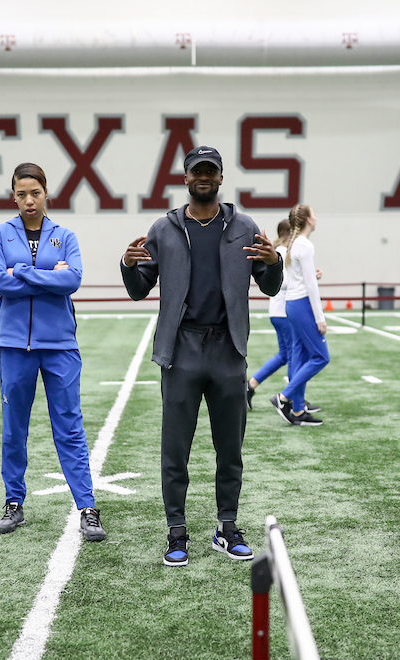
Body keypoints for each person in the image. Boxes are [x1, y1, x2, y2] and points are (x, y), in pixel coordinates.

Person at [121, 146, 283, 567]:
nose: (204, 178)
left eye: (211, 171)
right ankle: (176, 532)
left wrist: (275, 261)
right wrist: (127, 264)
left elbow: (269, 286)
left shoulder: (244, 226)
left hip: (229, 352)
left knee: (230, 449)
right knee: (176, 450)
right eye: (197, 171)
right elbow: (140, 289)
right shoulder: (164, 228)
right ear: (187, 178)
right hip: (182, 351)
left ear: (221, 178)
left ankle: (227, 528)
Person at [0, 162, 106, 542]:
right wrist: (48, 278)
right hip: (14, 346)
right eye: (21, 194)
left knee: (70, 428)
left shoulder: (64, 235)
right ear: (14, 197)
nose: (28, 200)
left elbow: (73, 280)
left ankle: (87, 508)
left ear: (46, 194)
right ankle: (13, 504)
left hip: (60, 347)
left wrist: (22, 272)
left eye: (34, 193)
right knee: (13, 430)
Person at [269, 204, 328, 426]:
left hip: (292, 305)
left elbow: (301, 278)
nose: (316, 216)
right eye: (314, 213)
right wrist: (319, 318)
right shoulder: (305, 244)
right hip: (301, 304)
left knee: (300, 356)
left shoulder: (296, 244)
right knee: (321, 357)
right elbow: (310, 287)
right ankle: (284, 397)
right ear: (308, 220)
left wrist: (312, 274)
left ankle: (297, 410)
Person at [246, 220, 293, 410]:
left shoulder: (278, 250)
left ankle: (251, 386)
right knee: (294, 356)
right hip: (283, 312)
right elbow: (284, 283)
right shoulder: (282, 252)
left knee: (285, 355)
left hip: (279, 311)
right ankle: (292, 397)